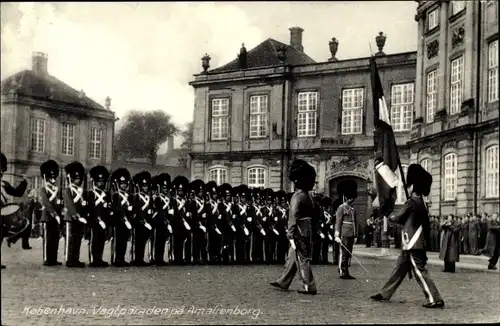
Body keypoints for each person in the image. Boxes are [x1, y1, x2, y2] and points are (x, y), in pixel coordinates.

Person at [370, 164, 444, 309]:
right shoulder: (420, 202)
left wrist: (388, 215)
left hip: (412, 242)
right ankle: (385, 293)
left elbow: (398, 218)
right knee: (399, 269)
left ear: (412, 187)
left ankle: (435, 298)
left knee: (419, 271)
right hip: (412, 242)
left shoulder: (411, 202)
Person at [270, 159, 317, 295]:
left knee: (302, 258)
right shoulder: (309, 196)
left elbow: (293, 216)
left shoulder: (297, 196)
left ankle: (308, 286)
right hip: (308, 230)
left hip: (299, 231)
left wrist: (290, 233)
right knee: (292, 256)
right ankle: (284, 281)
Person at [1, 152, 28, 268]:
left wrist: (24, 183)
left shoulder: (4, 184)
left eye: (2, 170)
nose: (1, 173)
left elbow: (17, 193)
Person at [63, 161, 87, 268]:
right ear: (72, 178)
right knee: (70, 240)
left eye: (80, 178)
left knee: (78, 240)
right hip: (71, 218)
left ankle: (75, 259)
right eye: (77, 178)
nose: (79, 180)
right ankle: (69, 259)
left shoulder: (80, 190)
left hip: (80, 218)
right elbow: (70, 205)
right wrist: (77, 216)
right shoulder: (68, 190)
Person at [39, 160, 63, 266]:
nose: (53, 179)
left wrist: (60, 209)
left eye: (54, 177)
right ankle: (47, 259)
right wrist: (55, 214)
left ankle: (53, 259)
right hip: (48, 217)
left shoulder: (57, 189)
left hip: (56, 217)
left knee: (55, 239)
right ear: (46, 177)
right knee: (48, 239)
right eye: (51, 177)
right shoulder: (44, 189)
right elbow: (46, 203)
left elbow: (60, 203)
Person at [87, 165, 111, 267]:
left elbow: (106, 209)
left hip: (103, 221)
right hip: (94, 221)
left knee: (101, 240)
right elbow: (91, 209)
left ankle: (99, 258)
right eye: (99, 181)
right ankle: (94, 259)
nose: (101, 183)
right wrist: (98, 220)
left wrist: (106, 220)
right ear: (94, 182)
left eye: (102, 181)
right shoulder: (91, 194)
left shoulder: (106, 194)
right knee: (94, 240)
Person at [334, 180, 358, 280]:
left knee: (348, 253)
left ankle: (346, 271)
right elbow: (338, 222)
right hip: (344, 233)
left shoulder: (352, 209)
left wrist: (355, 234)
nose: (351, 200)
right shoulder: (341, 208)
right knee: (344, 253)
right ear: (346, 197)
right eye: (350, 198)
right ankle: (342, 271)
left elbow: (355, 223)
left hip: (351, 234)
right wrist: (337, 234)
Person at [131, 171, 154, 266]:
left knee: (144, 240)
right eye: (144, 186)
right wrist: (144, 222)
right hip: (139, 222)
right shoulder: (137, 197)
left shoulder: (149, 197)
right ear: (140, 186)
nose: (146, 187)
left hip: (147, 222)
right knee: (139, 241)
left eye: (147, 185)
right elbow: (138, 210)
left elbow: (151, 209)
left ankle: (141, 258)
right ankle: (138, 259)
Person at [151, 173, 173, 266]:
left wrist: (169, 217)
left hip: (164, 222)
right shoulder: (157, 199)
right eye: (164, 188)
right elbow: (159, 210)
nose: (165, 190)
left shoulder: (168, 199)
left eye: (166, 188)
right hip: (158, 222)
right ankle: (157, 258)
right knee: (158, 240)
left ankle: (161, 258)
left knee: (163, 240)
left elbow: (167, 211)